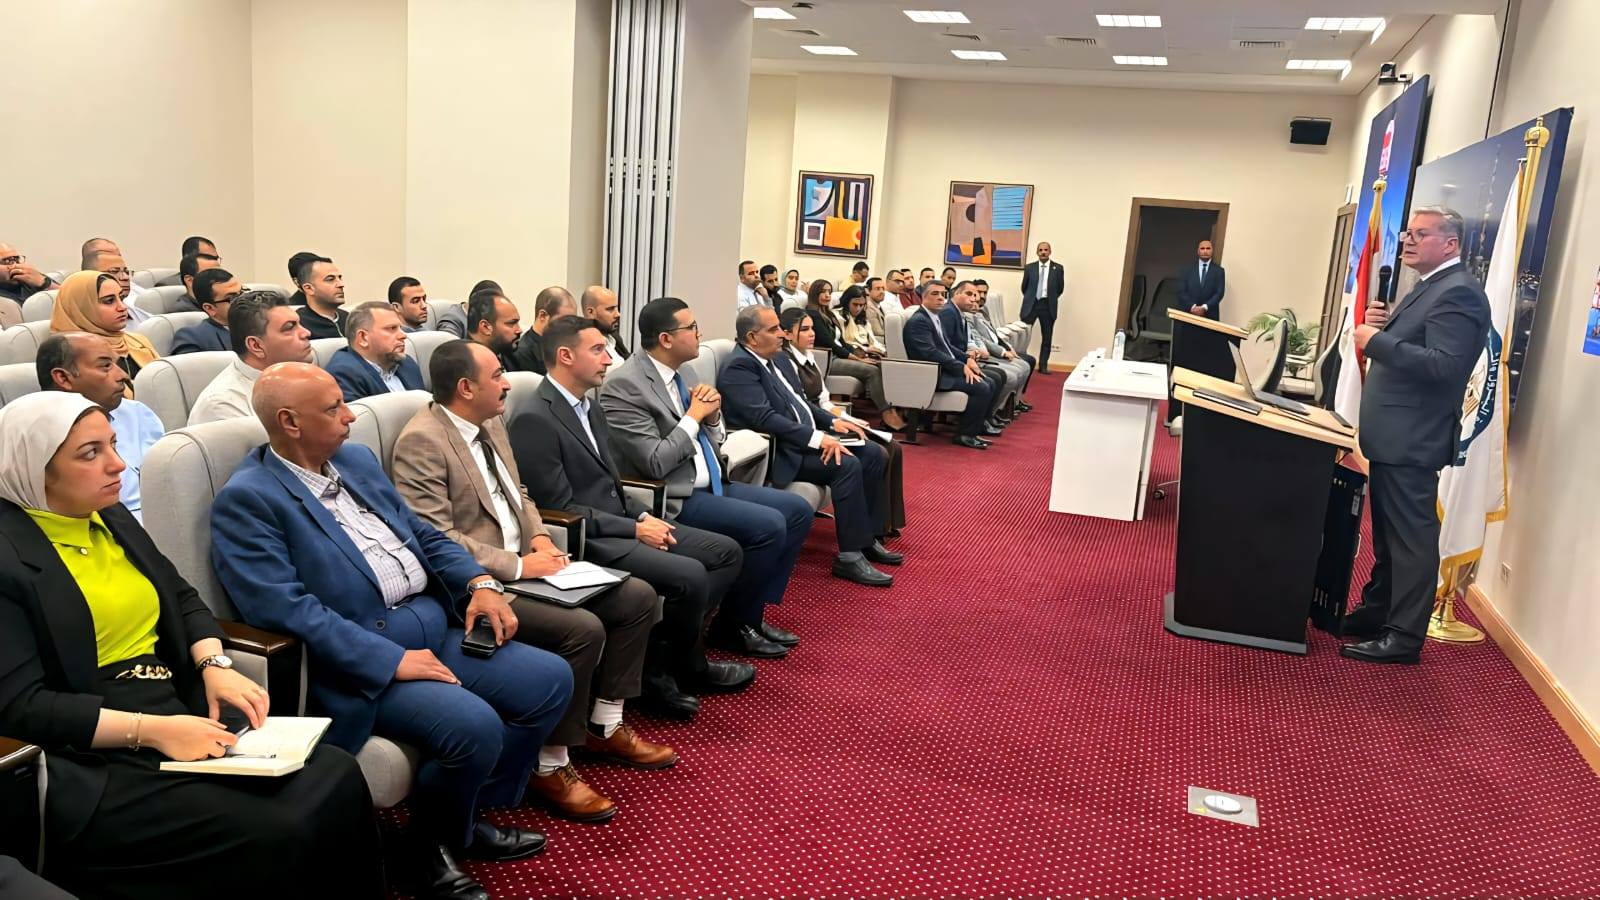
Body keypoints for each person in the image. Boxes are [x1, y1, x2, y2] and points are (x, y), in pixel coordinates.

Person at [0, 393, 384, 900]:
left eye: (113, 444)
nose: (119, 464)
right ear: (34, 470)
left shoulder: (108, 516)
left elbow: (181, 596)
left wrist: (214, 663)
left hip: (174, 701)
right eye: (90, 453)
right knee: (276, 827)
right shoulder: (8, 557)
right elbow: (23, 707)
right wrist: (153, 731)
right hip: (92, 749)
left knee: (336, 772)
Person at [211, 364, 573, 899]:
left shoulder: (354, 461)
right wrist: (390, 661)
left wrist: (478, 582)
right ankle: (425, 849)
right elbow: (283, 609)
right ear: (289, 422)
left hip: (430, 623)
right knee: (473, 727)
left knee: (550, 681)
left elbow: (422, 534)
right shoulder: (250, 499)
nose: (350, 415)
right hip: (359, 661)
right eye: (333, 408)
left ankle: (463, 819)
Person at [393, 340, 673, 824]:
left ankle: (605, 726)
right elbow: (436, 537)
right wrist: (519, 565)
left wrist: (540, 537)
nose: (507, 383)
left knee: (637, 597)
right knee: (581, 629)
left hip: (529, 560)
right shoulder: (423, 441)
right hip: (481, 585)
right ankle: (550, 764)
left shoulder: (491, 421)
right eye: (497, 376)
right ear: (465, 388)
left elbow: (518, 494)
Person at [508, 316, 753, 719]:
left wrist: (640, 514)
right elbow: (560, 509)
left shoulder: (589, 405)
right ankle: (672, 670)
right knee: (690, 575)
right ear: (565, 356)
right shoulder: (535, 418)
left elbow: (612, 482)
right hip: (590, 537)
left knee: (726, 552)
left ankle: (663, 658)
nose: (609, 359)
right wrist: (635, 527)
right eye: (597, 350)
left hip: (623, 520)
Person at [599, 297, 813, 658]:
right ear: (666, 339)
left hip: (711, 480)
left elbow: (713, 440)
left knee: (797, 510)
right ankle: (734, 625)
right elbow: (654, 463)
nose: (700, 334)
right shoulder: (625, 385)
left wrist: (712, 419)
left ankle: (746, 614)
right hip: (674, 496)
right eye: (692, 327)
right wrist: (694, 417)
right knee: (769, 525)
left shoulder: (685, 371)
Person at [1342, 207, 1492, 666]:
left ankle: (1403, 636)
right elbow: (1419, 346)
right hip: (1395, 435)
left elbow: (1445, 366)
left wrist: (1377, 341)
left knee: (1411, 540)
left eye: (1420, 234)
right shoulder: (1429, 285)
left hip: (1414, 437)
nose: (1407, 240)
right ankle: (1378, 613)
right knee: (1390, 537)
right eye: (1408, 232)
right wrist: (1385, 326)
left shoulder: (1460, 292)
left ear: (1450, 244)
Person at [720, 306, 902, 586]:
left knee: (872, 453)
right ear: (752, 337)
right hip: (780, 451)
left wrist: (833, 422)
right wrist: (817, 439)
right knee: (846, 464)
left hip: (802, 439)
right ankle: (849, 557)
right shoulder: (740, 367)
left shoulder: (774, 359)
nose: (782, 334)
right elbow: (764, 418)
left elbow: (802, 403)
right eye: (773, 329)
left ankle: (868, 539)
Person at [780, 308, 906, 536]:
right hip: (817, 426)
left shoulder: (809, 356)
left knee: (893, 447)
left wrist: (850, 418)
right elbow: (805, 406)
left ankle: (885, 523)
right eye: (805, 330)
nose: (812, 334)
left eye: (812, 328)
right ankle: (873, 528)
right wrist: (835, 422)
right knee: (878, 451)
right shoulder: (785, 362)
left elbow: (825, 401)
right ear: (787, 334)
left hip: (827, 417)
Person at [35, 334, 164, 521]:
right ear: (63, 378)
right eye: (105, 366)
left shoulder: (136, 413)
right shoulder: (37, 437)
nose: (123, 375)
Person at [188, 291, 312, 425]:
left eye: (299, 324)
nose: (306, 333)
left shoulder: (304, 375)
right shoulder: (224, 406)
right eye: (289, 328)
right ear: (256, 346)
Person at [904, 281, 999, 449]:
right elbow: (930, 353)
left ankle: (974, 429)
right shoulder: (919, 321)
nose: (940, 298)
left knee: (990, 381)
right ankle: (965, 435)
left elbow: (947, 347)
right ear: (923, 296)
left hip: (943, 368)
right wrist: (960, 367)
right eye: (935, 294)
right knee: (981, 387)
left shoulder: (933, 317)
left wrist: (966, 359)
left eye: (943, 294)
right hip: (931, 374)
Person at [805, 280, 905, 431]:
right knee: (871, 370)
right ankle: (887, 415)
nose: (827, 295)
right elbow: (830, 344)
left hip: (837, 356)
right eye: (823, 292)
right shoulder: (813, 314)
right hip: (827, 359)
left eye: (829, 292)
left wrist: (859, 356)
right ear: (814, 294)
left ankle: (894, 409)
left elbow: (841, 342)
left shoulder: (827, 313)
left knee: (878, 364)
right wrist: (857, 359)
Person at [48, 272, 158, 389]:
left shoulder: (138, 340)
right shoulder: (68, 355)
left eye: (121, 298)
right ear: (82, 307)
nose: (123, 307)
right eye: (109, 301)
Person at [946, 281, 1022, 422]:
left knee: (997, 377)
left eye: (975, 296)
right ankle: (973, 426)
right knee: (991, 381)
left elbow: (965, 341)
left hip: (967, 359)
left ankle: (986, 419)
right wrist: (966, 358)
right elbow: (945, 346)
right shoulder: (948, 312)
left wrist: (970, 354)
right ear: (956, 293)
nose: (973, 299)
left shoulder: (960, 312)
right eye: (969, 294)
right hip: (952, 366)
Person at [325, 301, 424, 402]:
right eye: (392, 328)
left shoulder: (407, 363)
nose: (403, 335)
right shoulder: (344, 374)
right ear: (363, 338)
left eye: (400, 328)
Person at [971, 280, 1035, 411]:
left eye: (984, 293)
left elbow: (993, 333)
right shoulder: (969, 313)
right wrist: (1002, 351)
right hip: (986, 353)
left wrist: (1008, 347)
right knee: (1013, 372)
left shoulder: (984, 309)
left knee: (1027, 363)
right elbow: (981, 339)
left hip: (995, 347)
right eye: (978, 292)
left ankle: (1014, 402)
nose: (981, 296)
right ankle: (997, 411)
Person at [171, 268, 241, 354]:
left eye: (242, 293)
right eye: (232, 298)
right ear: (210, 308)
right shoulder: (192, 337)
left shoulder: (254, 323)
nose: (243, 300)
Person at [1019, 241, 1064, 373]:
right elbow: (1024, 287)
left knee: (1047, 337)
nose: (1043, 252)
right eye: (1041, 250)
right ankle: (1021, 362)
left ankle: (1043, 365)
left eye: (1046, 250)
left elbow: (1060, 288)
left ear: (1050, 252)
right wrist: (1031, 298)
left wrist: (1049, 297)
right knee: (1023, 336)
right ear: (1037, 252)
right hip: (1031, 305)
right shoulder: (1029, 268)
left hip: (1047, 305)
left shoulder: (1058, 268)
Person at [510, 286, 577, 375]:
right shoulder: (522, 353)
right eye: (564, 321)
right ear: (542, 316)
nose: (569, 327)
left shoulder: (565, 346)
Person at [84, 244, 152, 325]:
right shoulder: (82, 322)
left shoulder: (136, 311)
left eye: (126, 272)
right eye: (114, 271)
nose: (126, 277)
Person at [465, 288, 523, 375]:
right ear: (485, 327)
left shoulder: (510, 356)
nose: (519, 330)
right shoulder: (464, 367)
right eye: (511, 323)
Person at [294, 255, 349, 340]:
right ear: (309, 289)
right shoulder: (298, 325)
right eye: (330, 279)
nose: (341, 284)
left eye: (340, 278)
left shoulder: (350, 319)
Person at [0, 242, 57, 323]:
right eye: (7, 261)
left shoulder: (31, 277)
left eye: (17, 260)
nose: (15, 265)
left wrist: (44, 283)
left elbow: (68, 299)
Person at [1178, 239, 1226, 320]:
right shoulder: (1187, 270)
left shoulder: (1219, 271)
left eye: (1208, 248)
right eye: (1202, 248)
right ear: (1198, 251)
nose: (1205, 251)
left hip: (1209, 315)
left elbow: (1219, 293)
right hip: (1188, 315)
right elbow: (1181, 291)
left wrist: (1204, 307)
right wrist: (1192, 307)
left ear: (1212, 251)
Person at [582, 285, 630, 360]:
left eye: (617, 308)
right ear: (590, 312)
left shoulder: (614, 337)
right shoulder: (582, 345)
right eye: (610, 309)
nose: (618, 314)